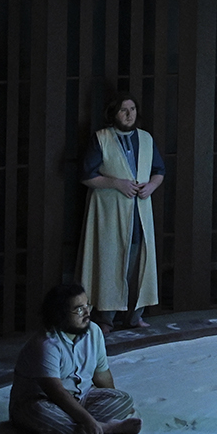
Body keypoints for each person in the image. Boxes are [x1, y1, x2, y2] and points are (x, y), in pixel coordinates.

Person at [9, 283, 142, 434]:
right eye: (79, 309)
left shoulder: (94, 331)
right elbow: (56, 392)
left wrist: (113, 402)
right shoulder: (46, 344)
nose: (87, 312)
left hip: (82, 397)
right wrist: (88, 420)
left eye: (87, 305)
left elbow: (102, 375)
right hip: (43, 402)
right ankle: (106, 427)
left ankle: (83, 425)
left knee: (124, 399)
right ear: (61, 314)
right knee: (41, 414)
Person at [78, 93, 165, 333]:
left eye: (132, 109)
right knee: (109, 262)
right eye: (123, 110)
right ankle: (106, 318)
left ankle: (134, 316)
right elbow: (87, 175)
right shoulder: (102, 138)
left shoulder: (146, 139)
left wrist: (151, 186)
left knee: (139, 263)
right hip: (111, 213)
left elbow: (159, 170)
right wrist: (117, 183)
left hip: (139, 213)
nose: (129, 114)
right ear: (114, 114)